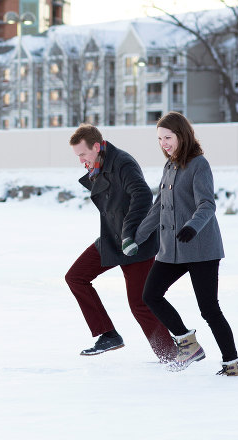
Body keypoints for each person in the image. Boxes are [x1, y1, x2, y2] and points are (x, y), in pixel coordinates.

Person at [133, 112, 238, 376]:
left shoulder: (198, 164)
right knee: (151, 295)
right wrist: (137, 238)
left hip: (201, 248)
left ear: (182, 135)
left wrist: (192, 227)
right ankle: (188, 343)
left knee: (209, 308)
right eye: (160, 138)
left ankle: (232, 364)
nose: (163, 143)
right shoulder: (170, 166)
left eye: (168, 137)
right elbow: (159, 205)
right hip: (172, 249)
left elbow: (207, 204)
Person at [66, 124, 176, 362]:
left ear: (96, 147)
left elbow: (144, 195)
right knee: (75, 276)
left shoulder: (122, 162)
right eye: (78, 156)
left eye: (83, 154)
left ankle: (170, 354)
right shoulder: (100, 164)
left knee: (140, 303)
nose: (81, 159)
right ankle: (108, 334)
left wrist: (129, 235)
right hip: (111, 239)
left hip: (135, 240)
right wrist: (93, 172)